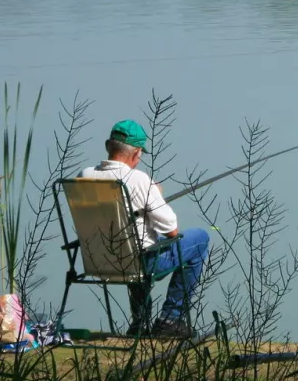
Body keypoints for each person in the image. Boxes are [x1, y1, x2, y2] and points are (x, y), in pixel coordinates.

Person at [80, 119, 210, 339]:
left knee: (137, 240)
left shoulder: (86, 175)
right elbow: (171, 230)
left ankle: (139, 322)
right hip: (139, 262)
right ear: (136, 152)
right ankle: (171, 319)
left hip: (98, 259)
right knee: (200, 238)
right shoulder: (139, 180)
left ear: (107, 146)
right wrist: (154, 193)